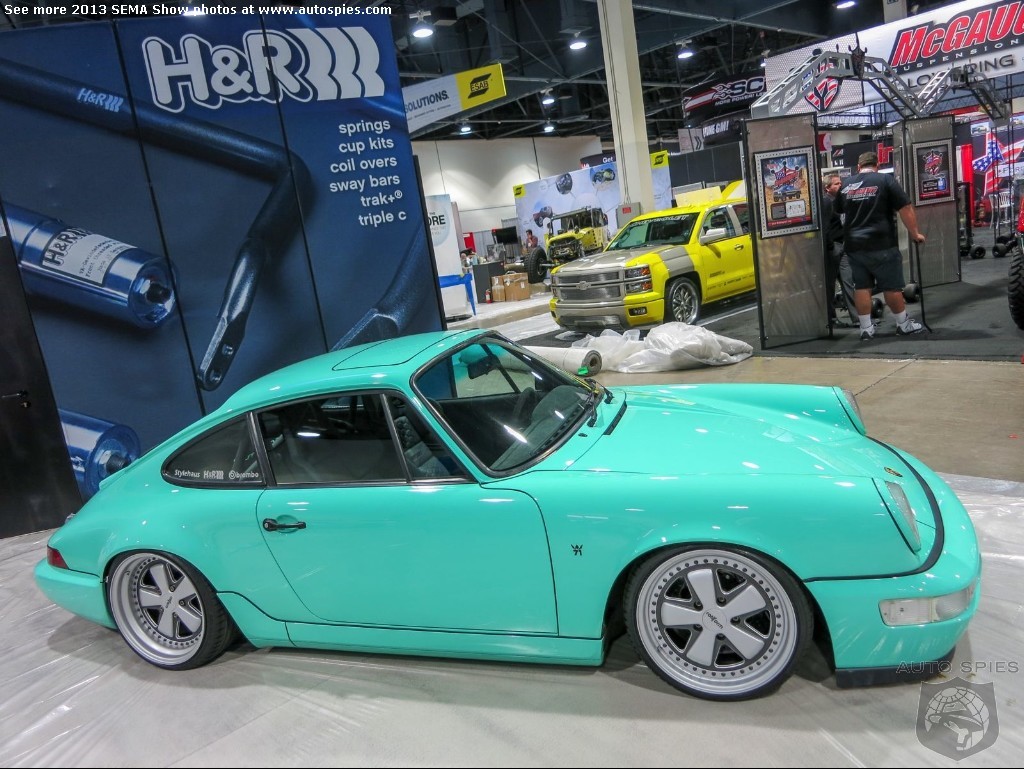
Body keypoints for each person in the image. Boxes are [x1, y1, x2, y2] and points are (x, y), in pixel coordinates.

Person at [835, 151, 925, 341]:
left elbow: (839, 209)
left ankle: (866, 329)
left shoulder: (846, 184)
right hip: (882, 244)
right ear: (877, 165)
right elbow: (905, 207)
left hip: (854, 246)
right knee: (891, 287)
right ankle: (903, 325)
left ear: (859, 166)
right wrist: (915, 233)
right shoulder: (885, 180)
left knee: (862, 286)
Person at [820, 173, 857, 328]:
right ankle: (831, 319)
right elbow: (825, 227)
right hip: (834, 247)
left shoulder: (841, 201)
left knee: (849, 282)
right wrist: (830, 246)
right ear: (827, 188)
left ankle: (858, 318)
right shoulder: (826, 202)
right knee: (829, 286)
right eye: (836, 184)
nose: (840, 185)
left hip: (843, 246)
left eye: (840, 183)